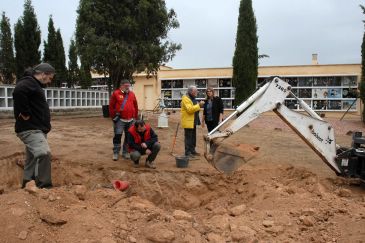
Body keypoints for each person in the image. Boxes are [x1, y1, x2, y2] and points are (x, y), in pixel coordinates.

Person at [13, 63, 55, 189]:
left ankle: (27, 183)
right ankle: (44, 185)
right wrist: (25, 113)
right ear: (43, 74)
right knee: (44, 153)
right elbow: (18, 91)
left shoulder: (34, 84)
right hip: (30, 129)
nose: (49, 81)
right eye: (50, 78)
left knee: (31, 157)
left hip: (36, 129)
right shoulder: (29, 82)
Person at [109, 80, 139, 161]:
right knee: (117, 136)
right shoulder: (116, 93)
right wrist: (113, 117)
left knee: (128, 137)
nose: (127, 87)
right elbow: (111, 107)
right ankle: (116, 152)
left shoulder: (132, 94)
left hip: (131, 119)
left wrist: (135, 117)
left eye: (128, 86)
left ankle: (125, 152)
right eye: (126, 86)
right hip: (120, 120)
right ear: (121, 85)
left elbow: (135, 105)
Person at [181, 86, 205, 158]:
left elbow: (195, 109)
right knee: (188, 137)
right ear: (191, 92)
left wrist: (198, 106)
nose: (197, 93)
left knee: (193, 137)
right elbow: (190, 110)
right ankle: (187, 152)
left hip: (193, 121)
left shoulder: (193, 98)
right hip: (189, 121)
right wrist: (199, 105)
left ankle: (192, 151)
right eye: (195, 92)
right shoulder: (185, 99)